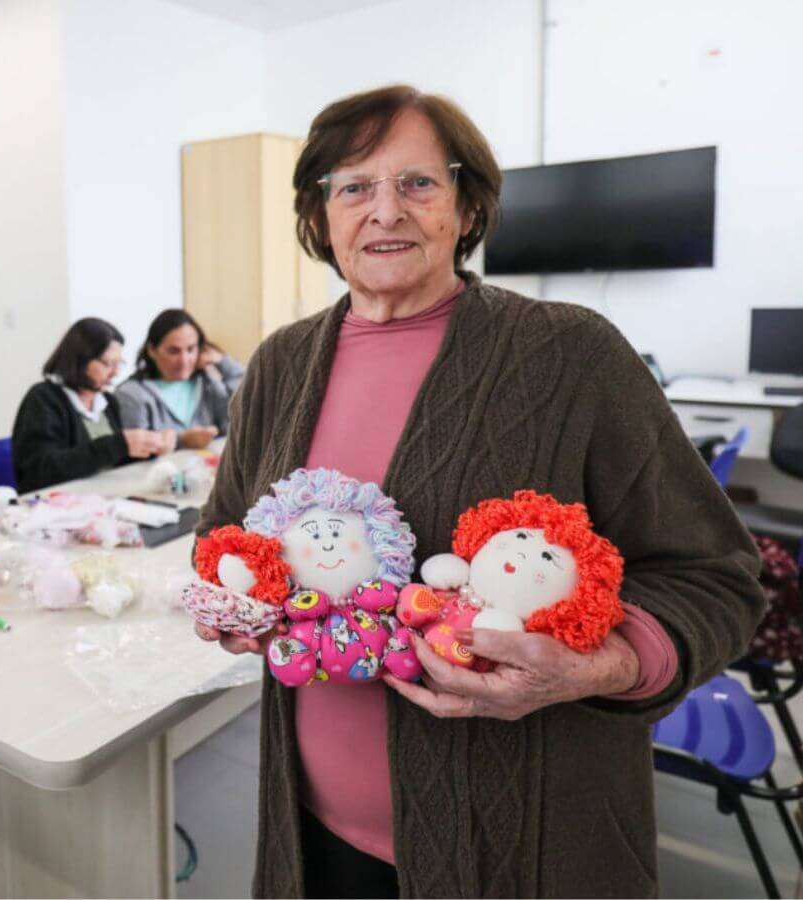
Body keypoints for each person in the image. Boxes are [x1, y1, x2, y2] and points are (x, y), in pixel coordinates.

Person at [193, 84, 762, 898]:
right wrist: (236, 598)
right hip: (313, 833)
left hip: (524, 842)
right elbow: (223, 532)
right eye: (353, 187)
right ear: (319, 219)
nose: (384, 210)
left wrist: (599, 666)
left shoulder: (571, 354)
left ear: (466, 209)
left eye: (418, 183)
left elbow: (717, 577)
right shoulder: (280, 363)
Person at [11, 317, 171, 493]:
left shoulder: (107, 402)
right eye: (107, 363)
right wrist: (117, 444)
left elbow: (113, 461)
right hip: (54, 505)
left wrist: (150, 448)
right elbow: (42, 471)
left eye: (119, 364)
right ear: (78, 360)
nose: (115, 372)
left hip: (102, 497)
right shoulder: (43, 399)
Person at [114, 308, 245, 448]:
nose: (184, 361)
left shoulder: (208, 383)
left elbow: (248, 412)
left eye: (191, 349)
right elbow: (134, 453)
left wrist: (224, 363)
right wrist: (181, 441)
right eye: (173, 351)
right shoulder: (131, 394)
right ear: (152, 351)